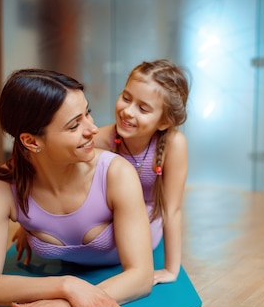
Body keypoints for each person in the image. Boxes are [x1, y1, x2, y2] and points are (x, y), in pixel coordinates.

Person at [0, 68, 154, 307]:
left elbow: (141, 275)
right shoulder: (0, 188)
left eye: (87, 113)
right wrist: (68, 287)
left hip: (148, 226)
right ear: (31, 141)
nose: (93, 129)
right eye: (74, 125)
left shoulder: (117, 173)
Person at [14, 59, 190, 286]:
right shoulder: (103, 137)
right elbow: (47, 172)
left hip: (144, 222)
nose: (127, 111)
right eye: (126, 98)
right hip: (111, 215)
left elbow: (172, 209)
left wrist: (171, 269)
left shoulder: (174, 144)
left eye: (143, 108)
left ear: (164, 121)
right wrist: (27, 223)